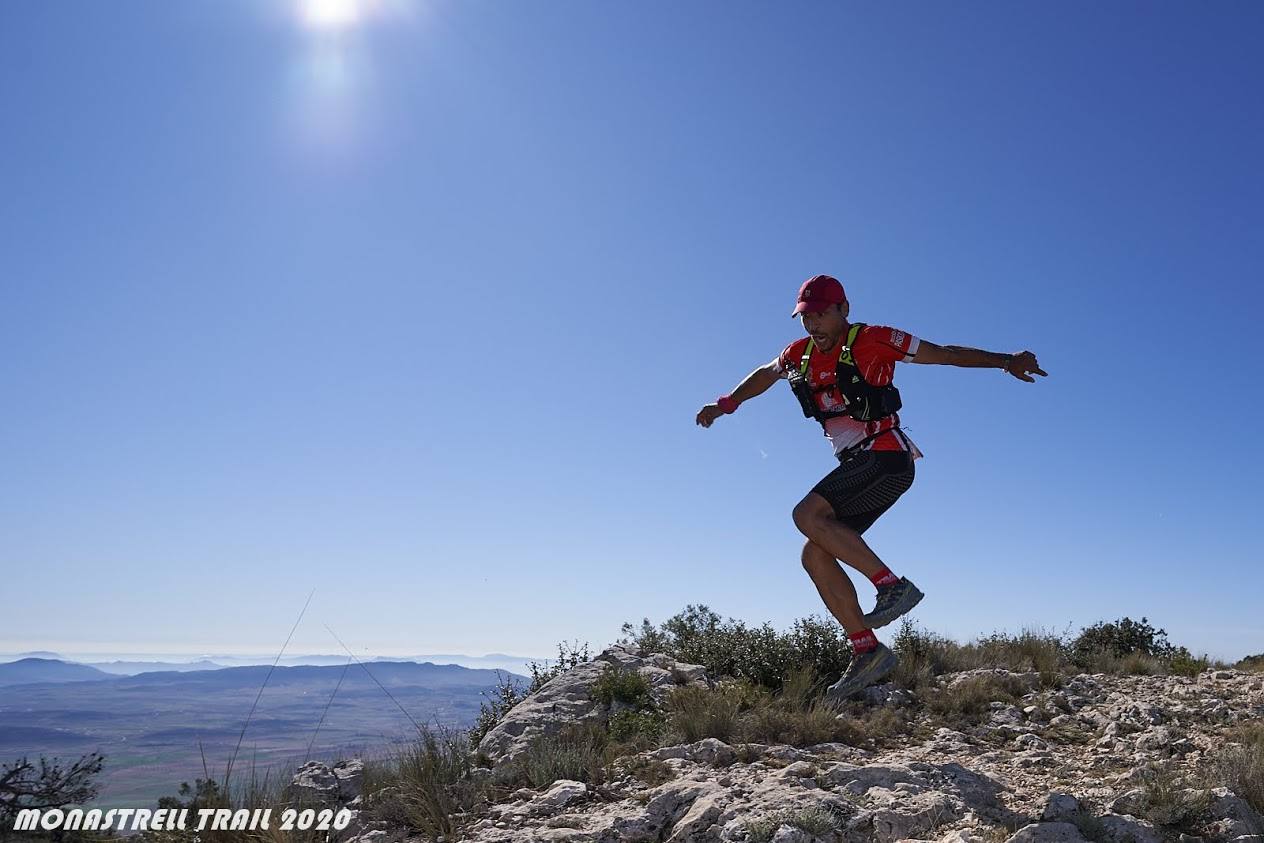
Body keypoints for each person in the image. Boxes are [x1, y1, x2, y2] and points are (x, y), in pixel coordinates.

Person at [695, 274, 1047, 702]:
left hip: (886, 456)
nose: (814, 325)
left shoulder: (875, 339)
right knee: (815, 553)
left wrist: (1005, 360)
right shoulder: (798, 355)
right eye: (807, 317)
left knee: (806, 515)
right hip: (860, 465)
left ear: (844, 309)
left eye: (822, 314)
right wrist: (726, 404)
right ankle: (867, 650)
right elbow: (766, 374)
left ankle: (891, 586)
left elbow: (945, 355)